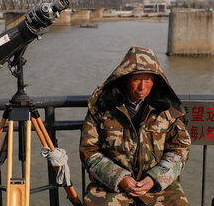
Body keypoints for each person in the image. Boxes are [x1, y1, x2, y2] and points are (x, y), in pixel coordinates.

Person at [79, 46, 191, 206]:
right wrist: (120, 178)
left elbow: (180, 149)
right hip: (110, 188)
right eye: (137, 79)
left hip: (158, 189)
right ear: (125, 78)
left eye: (148, 79)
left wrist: (155, 178)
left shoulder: (167, 110)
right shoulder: (102, 108)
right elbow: (88, 151)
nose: (142, 87)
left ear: (155, 80)